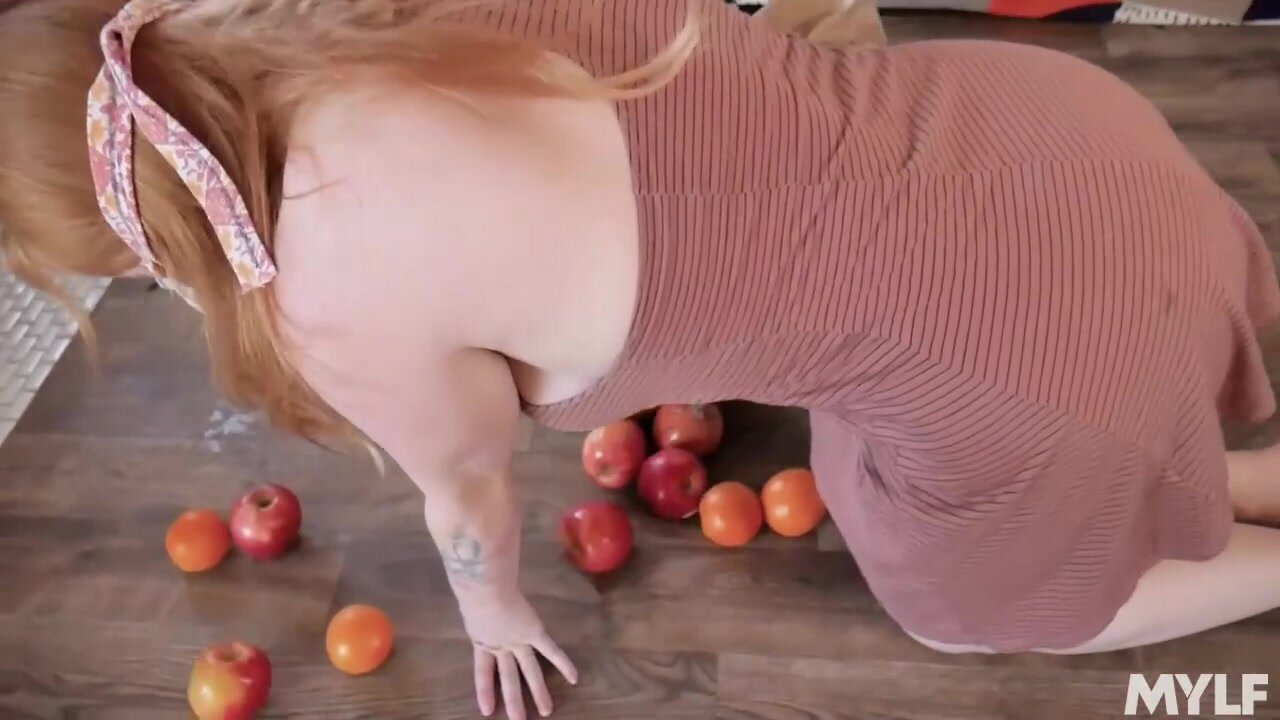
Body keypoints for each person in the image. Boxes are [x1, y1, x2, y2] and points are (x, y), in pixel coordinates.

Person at [3, 0, 1280, 717]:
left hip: (1028, 343)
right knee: (876, 463)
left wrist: (494, 611)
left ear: (137, 254)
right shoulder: (358, 14)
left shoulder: (325, 303)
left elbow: (468, 493)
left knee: (959, 611)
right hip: (1040, 121)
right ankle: (1214, 479)